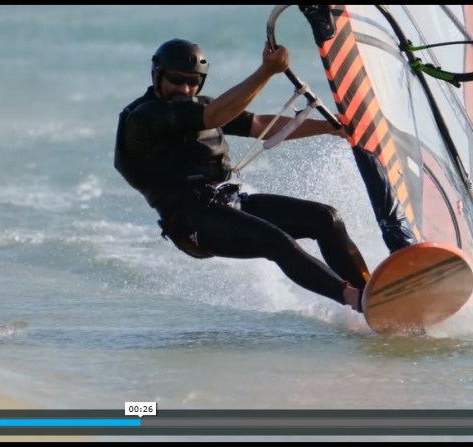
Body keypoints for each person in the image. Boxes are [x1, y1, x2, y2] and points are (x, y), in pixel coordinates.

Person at [114, 38, 370, 312]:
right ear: (157, 76)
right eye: (176, 80)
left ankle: (372, 291)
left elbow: (260, 124)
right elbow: (213, 118)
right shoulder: (145, 116)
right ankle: (355, 300)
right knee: (276, 241)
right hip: (191, 221)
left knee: (326, 218)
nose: (185, 89)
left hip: (228, 204)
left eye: (193, 81)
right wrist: (266, 71)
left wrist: (331, 128)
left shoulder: (202, 107)